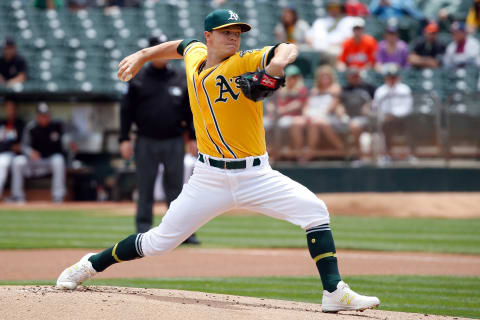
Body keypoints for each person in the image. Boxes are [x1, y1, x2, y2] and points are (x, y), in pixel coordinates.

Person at [56, 8, 380, 313]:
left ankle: (334, 291)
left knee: (315, 211)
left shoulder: (242, 63)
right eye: (226, 32)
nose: (234, 37)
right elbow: (181, 45)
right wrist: (143, 55)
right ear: (208, 36)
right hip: (208, 177)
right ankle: (92, 263)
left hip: (257, 175)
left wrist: (275, 67)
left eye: (238, 32)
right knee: (158, 243)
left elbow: (286, 47)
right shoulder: (196, 55)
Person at [119, 36, 200, 244]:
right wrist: (124, 138)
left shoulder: (180, 77)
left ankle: (181, 233)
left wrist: (192, 137)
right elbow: (126, 110)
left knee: (176, 189)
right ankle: (143, 232)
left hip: (174, 139)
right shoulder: (138, 77)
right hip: (145, 140)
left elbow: (190, 110)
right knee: (145, 187)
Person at [9, 102, 66, 203]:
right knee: (17, 162)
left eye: (46, 115)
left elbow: (67, 139)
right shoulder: (31, 127)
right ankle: (17, 196)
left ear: (49, 115)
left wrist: (70, 143)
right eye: (41, 115)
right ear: (37, 116)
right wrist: (30, 152)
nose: (44, 117)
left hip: (48, 161)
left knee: (59, 160)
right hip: (33, 161)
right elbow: (24, 145)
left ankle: (58, 196)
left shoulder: (56, 126)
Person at [264, 65, 308, 160]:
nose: (293, 79)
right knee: (264, 124)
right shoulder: (280, 88)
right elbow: (270, 103)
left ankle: (284, 153)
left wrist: (280, 111)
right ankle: (268, 152)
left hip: (292, 117)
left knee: (282, 124)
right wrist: (273, 110)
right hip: (276, 116)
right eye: (290, 77)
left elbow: (298, 104)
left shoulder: (301, 89)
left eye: (295, 77)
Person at [303, 66, 346, 160]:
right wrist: (307, 115)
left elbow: (332, 107)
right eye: (322, 76)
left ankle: (341, 148)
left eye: (327, 76)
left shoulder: (335, 88)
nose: (325, 78)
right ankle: (311, 152)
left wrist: (319, 116)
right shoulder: (314, 90)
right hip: (314, 117)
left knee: (318, 122)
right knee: (312, 123)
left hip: (331, 117)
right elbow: (306, 107)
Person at [372, 64, 413, 160]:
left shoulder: (405, 89)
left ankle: (408, 154)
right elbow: (376, 108)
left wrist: (394, 115)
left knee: (413, 122)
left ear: (398, 77)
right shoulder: (380, 91)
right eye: (389, 77)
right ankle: (387, 154)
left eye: (394, 77)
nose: (392, 79)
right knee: (385, 124)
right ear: (385, 78)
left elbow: (408, 107)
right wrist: (386, 115)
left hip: (402, 118)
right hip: (386, 119)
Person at [340, 68, 375, 159]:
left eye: (356, 76)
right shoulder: (345, 89)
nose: (355, 78)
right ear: (348, 78)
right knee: (353, 125)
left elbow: (376, 100)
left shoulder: (369, 87)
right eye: (352, 76)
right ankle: (356, 154)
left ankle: (361, 155)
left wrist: (369, 105)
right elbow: (340, 104)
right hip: (350, 117)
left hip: (368, 117)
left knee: (355, 125)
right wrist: (341, 111)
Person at [0, 98, 25, 200]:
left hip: (18, 154)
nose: (10, 111)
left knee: (17, 162)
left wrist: (15, 147)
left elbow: (22, 144)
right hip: (3, 153)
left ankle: (17, 196)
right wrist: (10, 146)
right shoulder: (1, 123)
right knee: (2, 162)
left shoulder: (20, 124)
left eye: (12, 108)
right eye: (8, 108)